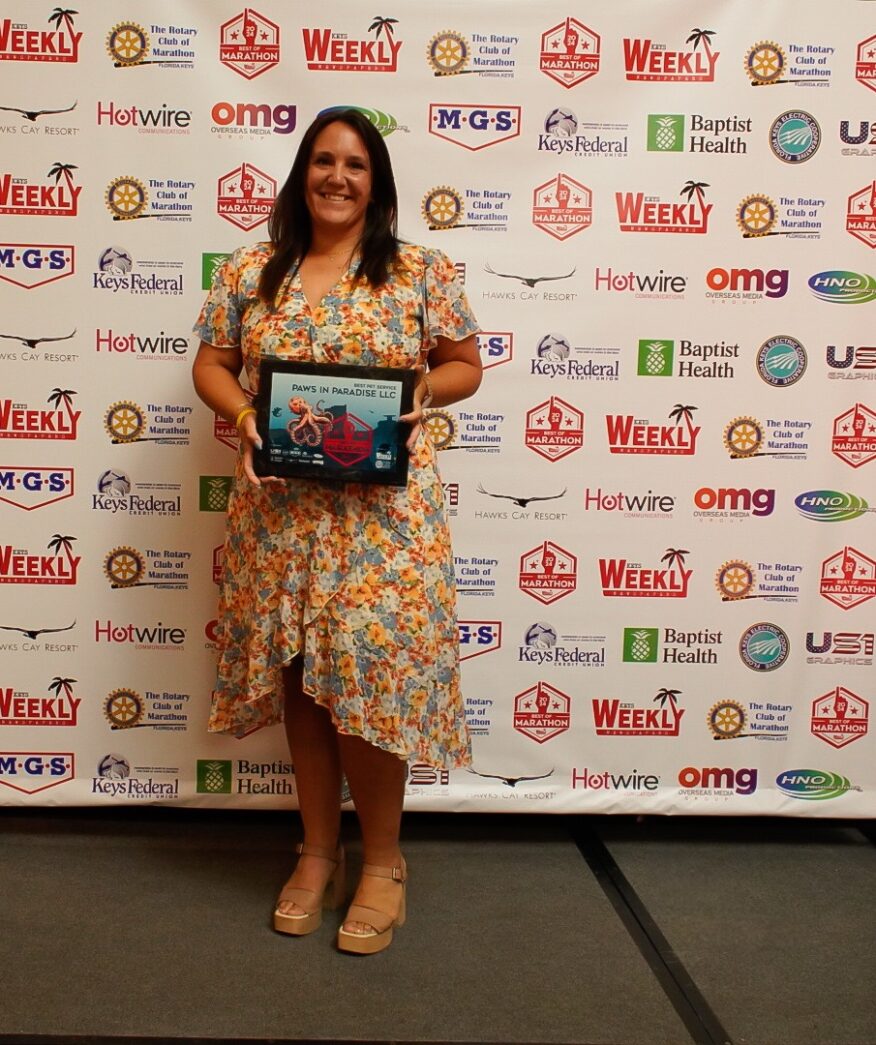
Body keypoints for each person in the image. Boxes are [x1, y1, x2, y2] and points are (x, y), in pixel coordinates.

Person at [192, 109, 482, 955]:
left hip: (383, 517)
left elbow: (466, 360)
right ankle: (316, 851)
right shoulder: (253, 268)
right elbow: (211, 363)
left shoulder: (420, 269)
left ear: (377, 182)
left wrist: (423, 393)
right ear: (301, 172)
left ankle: (384, 862)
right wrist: (246, 413)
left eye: (356, 164)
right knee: (301, 680)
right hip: (282, 511)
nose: (338, 177)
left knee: (372, 683)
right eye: (323, 160)